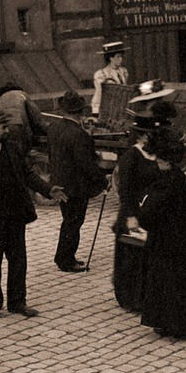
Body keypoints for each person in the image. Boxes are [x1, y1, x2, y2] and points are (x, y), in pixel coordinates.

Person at [0, 110, 67, 319]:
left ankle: (17, 302)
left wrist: (47, 189)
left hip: (15, 215)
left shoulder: (13, 149)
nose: (7, 130)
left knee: (18, 260)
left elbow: (28, 175)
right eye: (3, 127)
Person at [137, 127, 186, 338]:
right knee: (185, 279)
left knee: (167, 282)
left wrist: (141, 210)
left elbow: (151, 210)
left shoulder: (166, 183)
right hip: (184, 237)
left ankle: (171, 322)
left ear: (165, 160)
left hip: (166, 240)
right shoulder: (180, 179)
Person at [111, 105, 169, 312]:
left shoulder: (157, 154)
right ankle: (131, 297)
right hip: (134, 212)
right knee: (133, 256)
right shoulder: (132, 157)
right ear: (143, 135)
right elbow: (125, 190)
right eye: (151, 134)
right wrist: (131, 217)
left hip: (153, 212)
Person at [47, 91, 108, 273]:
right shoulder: (78, 134)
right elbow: (86, 164)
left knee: (68, 220)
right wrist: (102, 180)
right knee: (74, 222)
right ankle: (66, 260)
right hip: (76, 186)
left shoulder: (54, 128)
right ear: (80, 112)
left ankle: (63, 256)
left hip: (60, 183)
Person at [0, 83, 46, 161]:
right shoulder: (21, 95)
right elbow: (36, 118)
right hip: (18, 127)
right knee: (22, 154)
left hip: (0, 131)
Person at [92, 40, 130, 116]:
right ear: (111, 58)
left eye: (121, 56)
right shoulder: (101, 75)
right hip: (103, 109)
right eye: (118, 57)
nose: (121, 59)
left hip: (118, 108)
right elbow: (102, 94)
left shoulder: (124, 71)